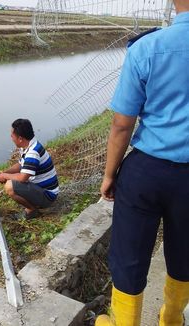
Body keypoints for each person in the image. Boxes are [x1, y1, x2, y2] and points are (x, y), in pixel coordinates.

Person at [97, 1, 189, 325]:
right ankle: (172, 319)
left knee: (129, 257)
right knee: (185, 254)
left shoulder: (147, 47)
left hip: (146, 173)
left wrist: (110, 175)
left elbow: (122, 124)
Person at [0, 119, 59, 219]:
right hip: (40, 188)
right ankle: (33, 204)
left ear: (20, 138)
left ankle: (32, 210)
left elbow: (23, 177)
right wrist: (4, 173)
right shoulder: (28, 146)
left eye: (12, 135)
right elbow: (20, 165)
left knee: (9, 186)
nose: (11, 137)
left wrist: (5, 176)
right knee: (11, 182)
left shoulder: (33, 152)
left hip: (47, 195)